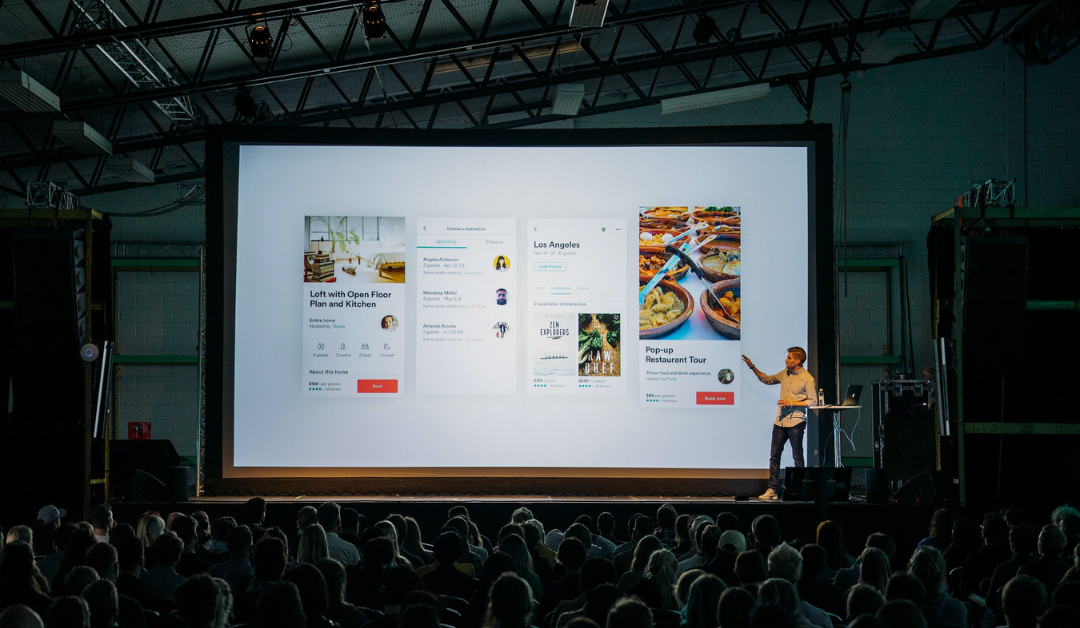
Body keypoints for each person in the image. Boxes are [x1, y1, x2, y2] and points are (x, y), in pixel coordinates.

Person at [741, 347, 815, 500]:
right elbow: (766, 379)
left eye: (788, 358)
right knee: (774, 456)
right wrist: (752, 366)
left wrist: (792, 403)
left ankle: (798, 490)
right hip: (780, 421)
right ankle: (772, 490)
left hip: (796, 422)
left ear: (797, 361)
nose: (785, 360)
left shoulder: (808, 379)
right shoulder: (785, 373)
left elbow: (813, 402)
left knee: (797, 457)